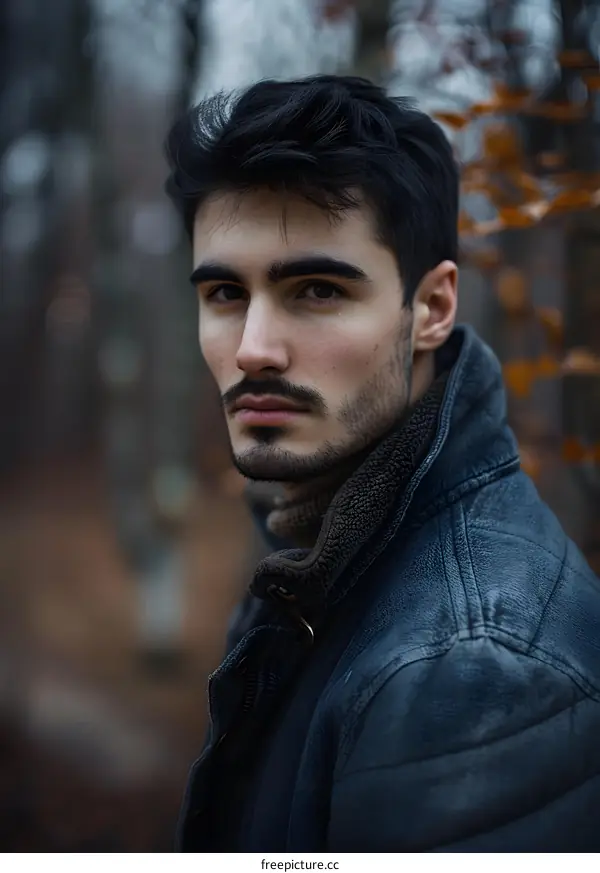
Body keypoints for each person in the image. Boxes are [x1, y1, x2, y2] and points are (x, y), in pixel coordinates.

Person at [165, 75, 600, 852]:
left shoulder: (476, 666)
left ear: (430, 309)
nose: (254, 347)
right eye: (226, 291)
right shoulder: (320, 544)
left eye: (318, 289)